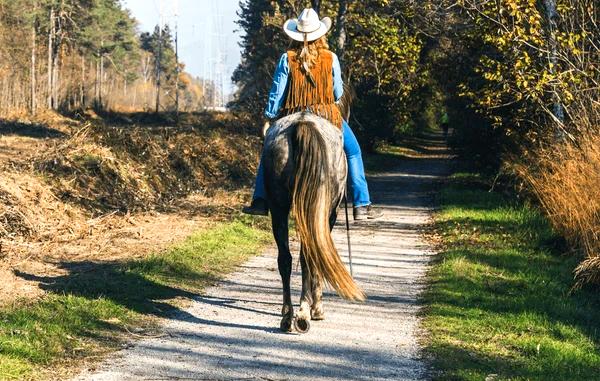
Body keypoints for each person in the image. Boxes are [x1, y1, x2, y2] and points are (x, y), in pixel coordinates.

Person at [242, 8, 383, 221]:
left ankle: (260, 201)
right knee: (353, 151)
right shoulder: (330, 57)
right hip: (326, 113)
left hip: (291, 112)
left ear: (295, 35)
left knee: (268, 151)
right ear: (321, 34)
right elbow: (337, 93)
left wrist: (270, 116)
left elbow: (276, 93)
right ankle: (361, 204)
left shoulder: (286, 58)